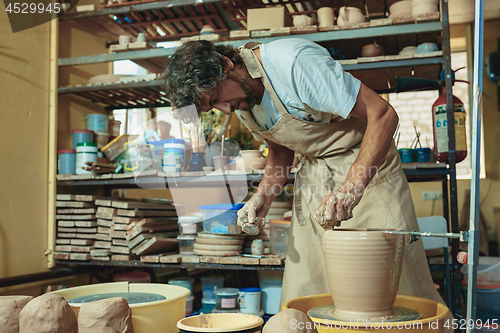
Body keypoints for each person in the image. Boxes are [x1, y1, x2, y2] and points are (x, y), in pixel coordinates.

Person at [163, 38, 445, 308]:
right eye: (212, 107)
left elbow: (382, 113)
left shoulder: (294, 64)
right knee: (309, 286)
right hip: (315, 178)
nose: (225, 110)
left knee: (389, 287)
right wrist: (263, 197)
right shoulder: (241, 98)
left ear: (225, 64)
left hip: (366, 170)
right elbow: (281, 151)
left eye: (216, 98)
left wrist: (351, 188)